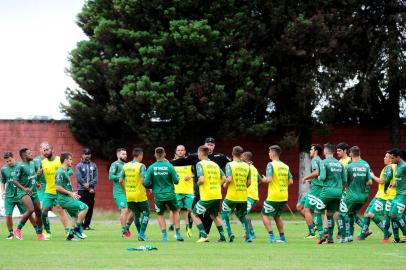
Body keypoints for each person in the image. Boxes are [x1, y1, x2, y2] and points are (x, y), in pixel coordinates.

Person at [170, 137, 230, 235]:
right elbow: (181, 161)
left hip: (210, 191)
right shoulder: (195, 157)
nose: (209, 146)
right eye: (208, 144)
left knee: (207, 214)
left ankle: (204, 233)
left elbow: (231, 165)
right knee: (197, 210)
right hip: (200, 191)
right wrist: (168, 163)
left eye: (211, 145)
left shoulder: (220, 157)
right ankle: (200, 231)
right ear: (204, 145)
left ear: (214, 146)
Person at [144, 147, 184, 242]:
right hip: (170, 194)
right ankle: (178, 234)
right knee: (175, 211)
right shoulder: (169, 166)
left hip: (158, 195)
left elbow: (146, 182)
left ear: (155, 155)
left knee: (160, 214)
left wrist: (152, 186)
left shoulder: (151, 167)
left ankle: (164, 236)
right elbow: (176, 181)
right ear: (164, 154)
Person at [191, 145, 226, 243]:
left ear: (201, 153)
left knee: (193, 214)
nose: (197, 155)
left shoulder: (200, 164)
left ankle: (204, 235)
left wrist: (197, 183)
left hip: (207, 196)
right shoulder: (214, 164)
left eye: (198, 153)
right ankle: (222, 237)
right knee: (214, 216)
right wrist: (216, 185)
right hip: (217, 194)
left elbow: (201, 180)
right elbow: (224, 178)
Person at [358, 151, 396, 241]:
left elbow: (382, 181)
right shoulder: (394, 167)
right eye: (384, 156)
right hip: (379, 194)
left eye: (386, 157)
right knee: (366, 214)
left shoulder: (389, 167)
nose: (384, 158)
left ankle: (386, 231)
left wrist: (372, 176)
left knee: (371, 214)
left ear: (391, 159)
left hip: (384, 196)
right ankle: (362, 235)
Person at [338, 146, 372, 243]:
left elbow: (344, 182)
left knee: (341, 214)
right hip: (363, 197)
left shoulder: (349, 166)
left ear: (351, 154)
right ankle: (350, 236)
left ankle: (343, 236)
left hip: (351, 196)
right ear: (359, 153)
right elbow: (370, 182)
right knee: (351, 214)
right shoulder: (366, 165)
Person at [11, 148, 46, 240]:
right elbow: (14, 180)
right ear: (24, 156)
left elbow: (31, 176)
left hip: (33, 191)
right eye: (29, 153)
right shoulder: (20, 166)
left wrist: (37, 183)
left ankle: (39, 234)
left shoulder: (32, 163)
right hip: (23, 192)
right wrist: (24, 188)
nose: (32, 154)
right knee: (31, 209)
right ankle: (18, 229)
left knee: (39, 212)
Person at [314, 143, 345, 244]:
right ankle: (330, 238)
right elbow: (345, 180)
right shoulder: (340, 163)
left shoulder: (323, 162)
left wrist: (318, 177)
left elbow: (322, 177)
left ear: (325, 151)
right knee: (330, 214)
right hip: (338, 192)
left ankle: (322, 235)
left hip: (327, 191)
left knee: (317, 211)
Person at [1, 152, 37, 240]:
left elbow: (29, 177)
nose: (9, 162)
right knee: (8, 215)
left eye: (10, 160)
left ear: (13, 158)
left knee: (29, 213)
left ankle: (38, 231)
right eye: (7, 161)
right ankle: (11, 234)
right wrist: (3, 191)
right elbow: (2, 181)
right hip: (9, 196)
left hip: (20, 194)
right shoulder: (4, 169)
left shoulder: (21, 166)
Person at [261, 145, 293, 243]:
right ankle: (282, 237)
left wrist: (264, 179)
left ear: (273, 153)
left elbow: (269, 179)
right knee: (277, 216)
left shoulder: (271, 164)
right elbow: (291, 182)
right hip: (283, 196)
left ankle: (272, 237)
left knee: (264, 214)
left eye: (269, 152)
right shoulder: (285, 166)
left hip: (274, 196)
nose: (268, 154)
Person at [222, 146, 252, 242]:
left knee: (224, 214)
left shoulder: (229, 165)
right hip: (243, 195)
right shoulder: (247, 166)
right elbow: (249, 182)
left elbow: (229, 179)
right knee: (242, 216)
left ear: (232, 153)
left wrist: (225, 184)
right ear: (241, 155)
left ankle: (230, 234)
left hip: (232, 196)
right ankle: (248, 236)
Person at [55, 152, 88, 240]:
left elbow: (65, 186)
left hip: (68, 197)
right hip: (63, 199)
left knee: (75, 216)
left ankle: (70, 236)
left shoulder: (65, 171)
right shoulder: (60, 172)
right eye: (70, 159)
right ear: (65, 160)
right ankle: (77, 229)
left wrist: (72, 194)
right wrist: (70, 193)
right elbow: (57, 187)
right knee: (85, 207)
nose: (71, 161)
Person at [40, 144, 70, 238]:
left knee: (60, 210)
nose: (45, 152)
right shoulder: (43, 162)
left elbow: (70, 171)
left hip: (59, 191)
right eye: (44, 150)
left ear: (52, 149)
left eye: (47, 150)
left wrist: (60, 175)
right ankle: (47, 231)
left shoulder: (59, 160)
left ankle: (68, 231)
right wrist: (38, 176)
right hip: (48, 191)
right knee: (44, 211)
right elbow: (42, 176)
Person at [120, 147, 150, 241]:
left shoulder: (125, 166)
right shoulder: (141, 166)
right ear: (140, 155)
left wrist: (126, 190)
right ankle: (141, 234)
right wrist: (149, 188)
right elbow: (142, 181)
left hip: (129, 195)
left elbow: (120, 181)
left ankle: (140, 235)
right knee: (146, 213)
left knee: (136, 214)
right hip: (140, 195)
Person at [170, 145, 194, 237]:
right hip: (176, 191)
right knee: (177, 211)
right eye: (178, 150)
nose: (180, 152)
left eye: (182, 150)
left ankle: (189, 228)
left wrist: (191, 176)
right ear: (176, 152)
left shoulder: (190, 162)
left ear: (185, 151)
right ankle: (177, 232)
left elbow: (198, 173)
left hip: (189, 191)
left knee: (191, 210)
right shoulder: (172, 163)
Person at [300, 144, 323, 239]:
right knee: (299, 207)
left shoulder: (315, 160)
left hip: (317, 188)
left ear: (316, 151)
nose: (310, 151)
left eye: (311, 149)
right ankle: (314, 225)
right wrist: (312, 180)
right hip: (315, 186)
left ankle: (312, 233)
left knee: (306, 209)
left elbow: (316, 172)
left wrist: (306, 177)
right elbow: (319, 175)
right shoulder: (319, 160)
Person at [109, 148, 132, 238]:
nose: (125, 156)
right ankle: (123, 231)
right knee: (124, 210)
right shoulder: (115, 164)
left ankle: (127, 227)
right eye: (123, 154)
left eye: (125, 154)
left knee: (135, 211)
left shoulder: (127, 165)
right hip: (119, 192)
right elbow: (110, 176)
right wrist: (121, 176)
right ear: (118, 155)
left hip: (129, 191)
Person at [242, 151, 263, 239]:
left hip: (250, 195)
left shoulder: (247, 168)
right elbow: (260, 180)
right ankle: (249, 231)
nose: (240, 158)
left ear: (245, 158)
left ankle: (251, 233)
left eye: (241, 157)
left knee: (243, 213)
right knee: (241, 212)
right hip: (251, 194)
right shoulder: (254, 168)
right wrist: (255, 187)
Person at [75, 148, 98, 230]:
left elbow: (95, 178)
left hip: (91, 190)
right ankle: (79, 224)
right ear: (82, 155)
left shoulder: (94, 165)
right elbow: (79, 178)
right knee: (82, 207)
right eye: (86, 154)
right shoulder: (79, 165)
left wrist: (90, 186)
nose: (87, 155)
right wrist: (86, 185)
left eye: (89, 154)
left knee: (90, 208)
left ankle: (86, 225)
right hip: (82, 190)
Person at [388, 148, 406, 243]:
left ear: (398, 157)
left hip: (403, 196)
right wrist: (394, 184)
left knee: (394, 215)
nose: (391, 160)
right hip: (397, 195)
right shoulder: (398, 166)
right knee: (391, 215)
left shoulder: (404, 166)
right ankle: (396, 238)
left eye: (392, 158)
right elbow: (401, 179)